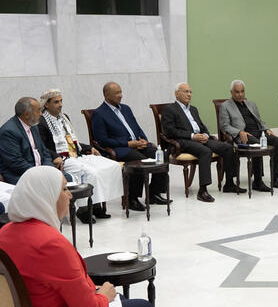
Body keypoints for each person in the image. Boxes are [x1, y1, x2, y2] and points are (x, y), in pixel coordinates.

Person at [0, 166, 158, 307]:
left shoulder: (4, 234)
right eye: (64, 189)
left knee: (121, 298)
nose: (70, 196)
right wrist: (103, 296)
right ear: (45, 196)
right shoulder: (50, 244)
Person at [38, 88, 124, 223]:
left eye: (61, 101)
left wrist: (89, 148)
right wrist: (55, 156)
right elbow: (43, 147)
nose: (60, 105)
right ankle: (84, 210)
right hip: (62, 158)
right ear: (46, 104)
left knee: (111, 165)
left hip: (77, 154)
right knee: (91, 173)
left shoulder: (64, 117)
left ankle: (96, 204)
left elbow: (73, 141)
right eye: (56, 102)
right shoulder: (41, 122)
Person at [161, 82, 244, 202]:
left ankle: (229, 184)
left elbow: (202, 126)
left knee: (228, 147)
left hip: (199, 139)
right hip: (183, 141)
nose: (189, 94)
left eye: (190, 92)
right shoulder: (169, 109)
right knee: (205, 151)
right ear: (177, 93)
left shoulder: (193, 109)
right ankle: (202, 191)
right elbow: (170, 131)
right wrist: (193, 136)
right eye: (186, 91)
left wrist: (205, 135)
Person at [92, 82, 169, 211]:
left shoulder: (126, 109)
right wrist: (128, 144)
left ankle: (154, 193)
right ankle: (132, 198)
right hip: (119, 149)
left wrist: (144, 140)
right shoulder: (99, 114)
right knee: (139, 161)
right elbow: (102, 140)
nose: (121, 95)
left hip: (137, 144)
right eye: (117, 93)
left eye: (121, 92)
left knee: (161, 155)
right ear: (106, 95)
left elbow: (137, 128)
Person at [219, 80, 278, 191]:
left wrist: (266, 129)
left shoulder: (251, 104)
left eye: (242, 91)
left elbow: (260, 121)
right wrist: (239, 132)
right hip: (244, 136)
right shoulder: (225, 106)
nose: (240, 94)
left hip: (259, 133)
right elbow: (224, 126)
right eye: (237, 92)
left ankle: (276, 178)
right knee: (257, 144)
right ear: (231, 92)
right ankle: (257, 181)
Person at [0, 97, 60, 184]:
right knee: (52, 184)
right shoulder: (9, 131)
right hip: (21, 176)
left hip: (41, 172)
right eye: (38, 110)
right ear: (27, 114)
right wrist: (41, 174)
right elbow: (16, 162)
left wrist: (49, 170)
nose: (41, 114)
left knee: (67, 178)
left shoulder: (33, 126)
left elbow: (44, 152)